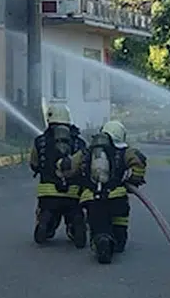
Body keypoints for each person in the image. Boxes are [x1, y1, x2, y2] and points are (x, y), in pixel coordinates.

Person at [29, 104, 87, 246]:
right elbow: (84, 164)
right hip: (73, 193)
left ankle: (44, 222)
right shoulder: (79, 142)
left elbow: (34, 164)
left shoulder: (40, 141)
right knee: (75, 213)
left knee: (46, 210)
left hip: (47, 192)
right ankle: (76, 225)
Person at [87, 119, 147, 253]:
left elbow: (70, 166)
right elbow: (139, 161)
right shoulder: (126, 152)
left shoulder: (89, 151)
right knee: (120, 221)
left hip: (92, 197)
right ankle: (118, 240)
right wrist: (135, 179)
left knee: (97, 223)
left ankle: (101, 239)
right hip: (117, 195)